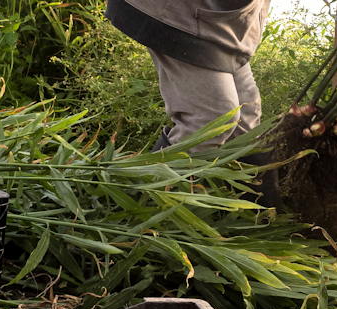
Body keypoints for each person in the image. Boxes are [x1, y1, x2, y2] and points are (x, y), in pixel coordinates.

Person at [105, 0, 280, 206]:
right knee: (211, 119)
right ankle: (136, 211)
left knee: (246, 120)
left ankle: (264, 215)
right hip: (179, 15)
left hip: (226, 25)